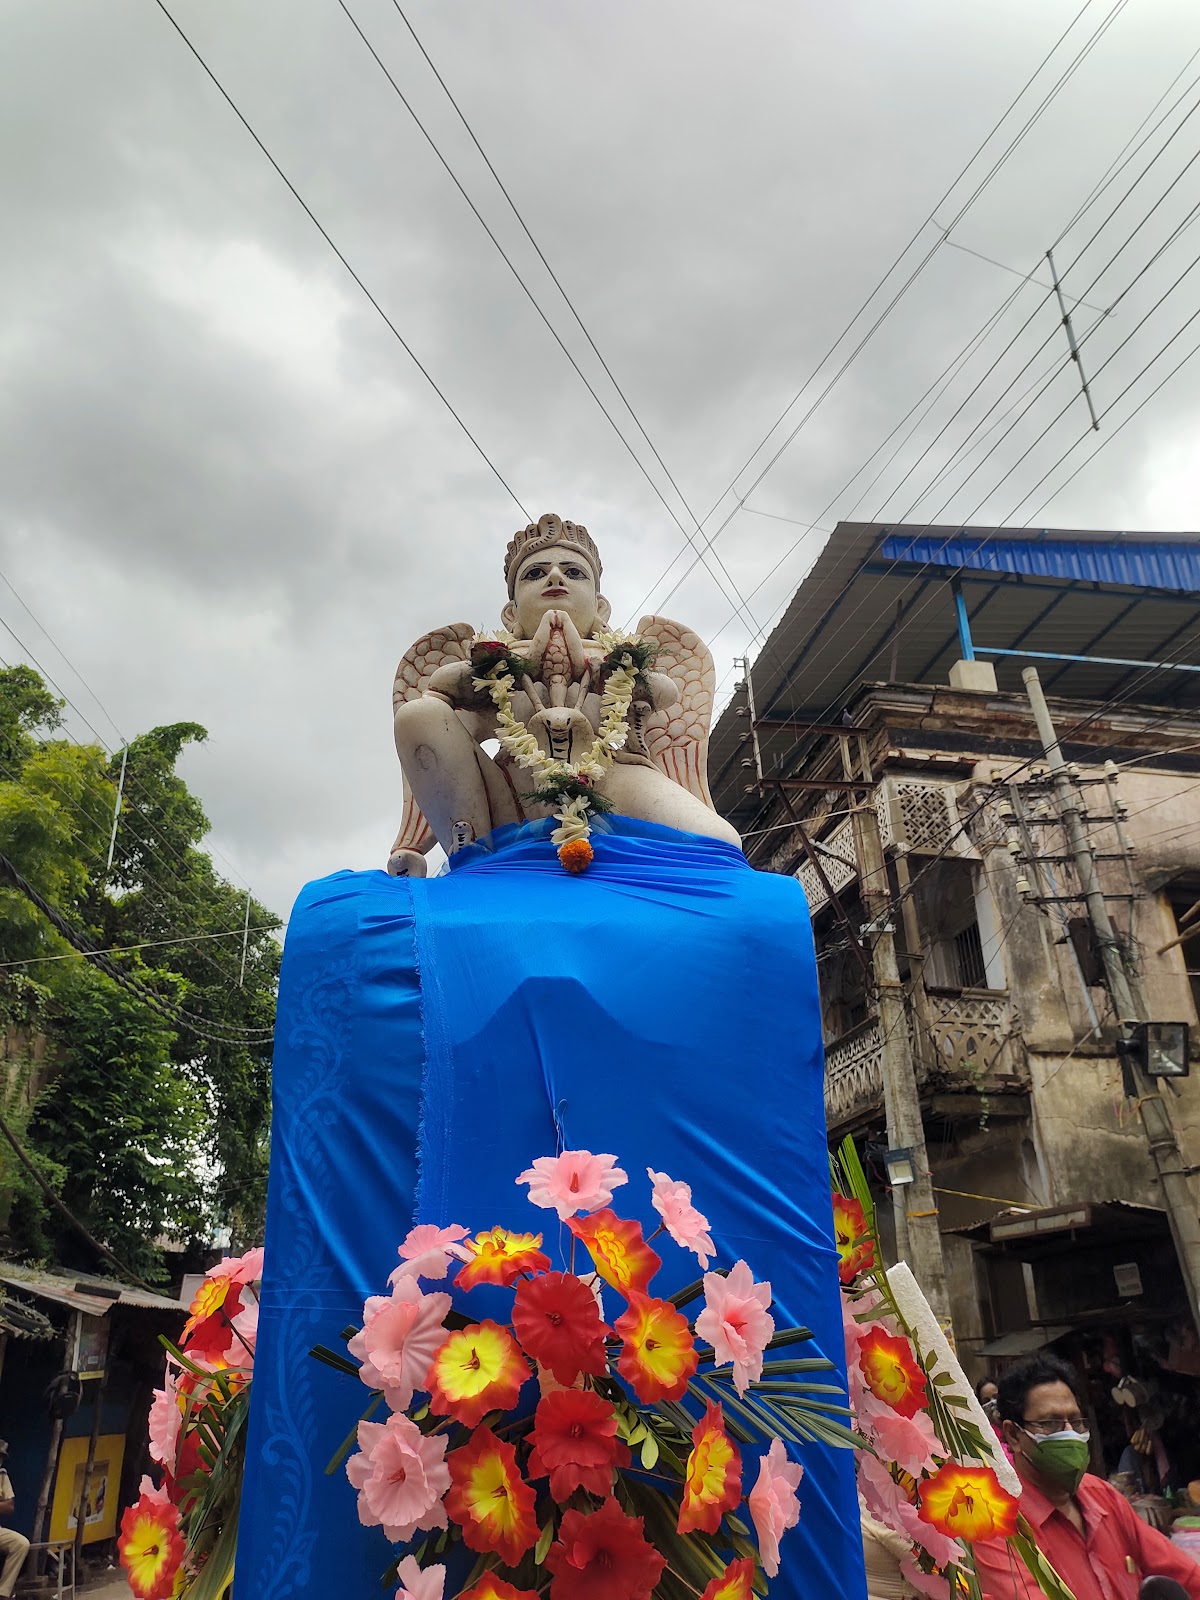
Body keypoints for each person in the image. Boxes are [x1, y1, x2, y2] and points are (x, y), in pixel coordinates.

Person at [973, 1355, 1200, 1600]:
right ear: (1014, 1435)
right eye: (1051, 1423)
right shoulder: (994, 1523)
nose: (1070, 1434)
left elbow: (1184, 1574)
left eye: (1076, 1421)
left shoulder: (1103, 1497)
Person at [0, 1440, 29, 1599]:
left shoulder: (2, 1476)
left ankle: (3, 1592)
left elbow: (10, 1506)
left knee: (21, 1543)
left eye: (1, 1457)